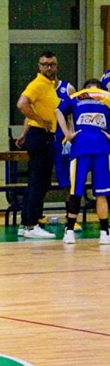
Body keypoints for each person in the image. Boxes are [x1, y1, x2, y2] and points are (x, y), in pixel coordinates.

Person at [57, 78, 110, 245]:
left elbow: (58, 111)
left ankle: (71, 231)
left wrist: (67, 134)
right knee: (98, 192)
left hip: (86, 148)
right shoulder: (106, 97)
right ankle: (103, 232)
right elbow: (58, 111)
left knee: (79, 191)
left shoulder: (76, 97)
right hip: (96, 149)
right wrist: (67, 134)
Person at [16, 51, 61, 239]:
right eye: (45, 64)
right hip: (40, 135)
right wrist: (39, 120)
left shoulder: (51, 85)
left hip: (42, 135)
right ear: (39, 66)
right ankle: (31, 224)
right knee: (39, 181)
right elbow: (22, 104)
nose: (48, 68)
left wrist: (25, 132)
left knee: (37, 180)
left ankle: (26, 222)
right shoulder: (38, 84)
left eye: (52, 64)